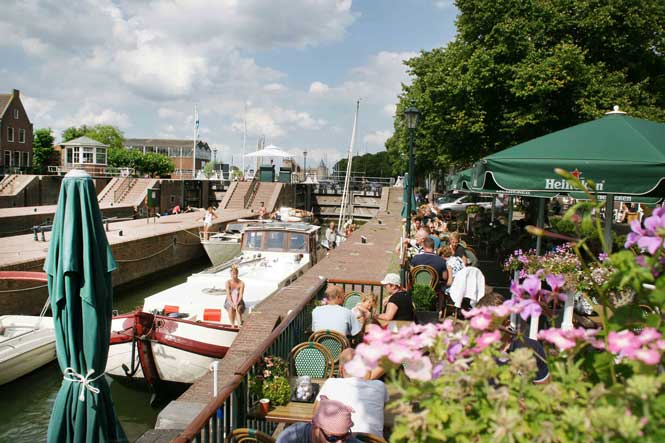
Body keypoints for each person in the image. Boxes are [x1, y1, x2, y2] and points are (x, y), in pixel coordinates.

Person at [315, 349, 388, 437]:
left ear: (341, 369)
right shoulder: (380, 386)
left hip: (340, 439)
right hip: (374, 440)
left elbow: (315, 415)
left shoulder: (330, 383)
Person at [276, 395, 361, 443]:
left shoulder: (345, 438)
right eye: (333, 439)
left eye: (345, 436)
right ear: (316, 428)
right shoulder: (291, 438)